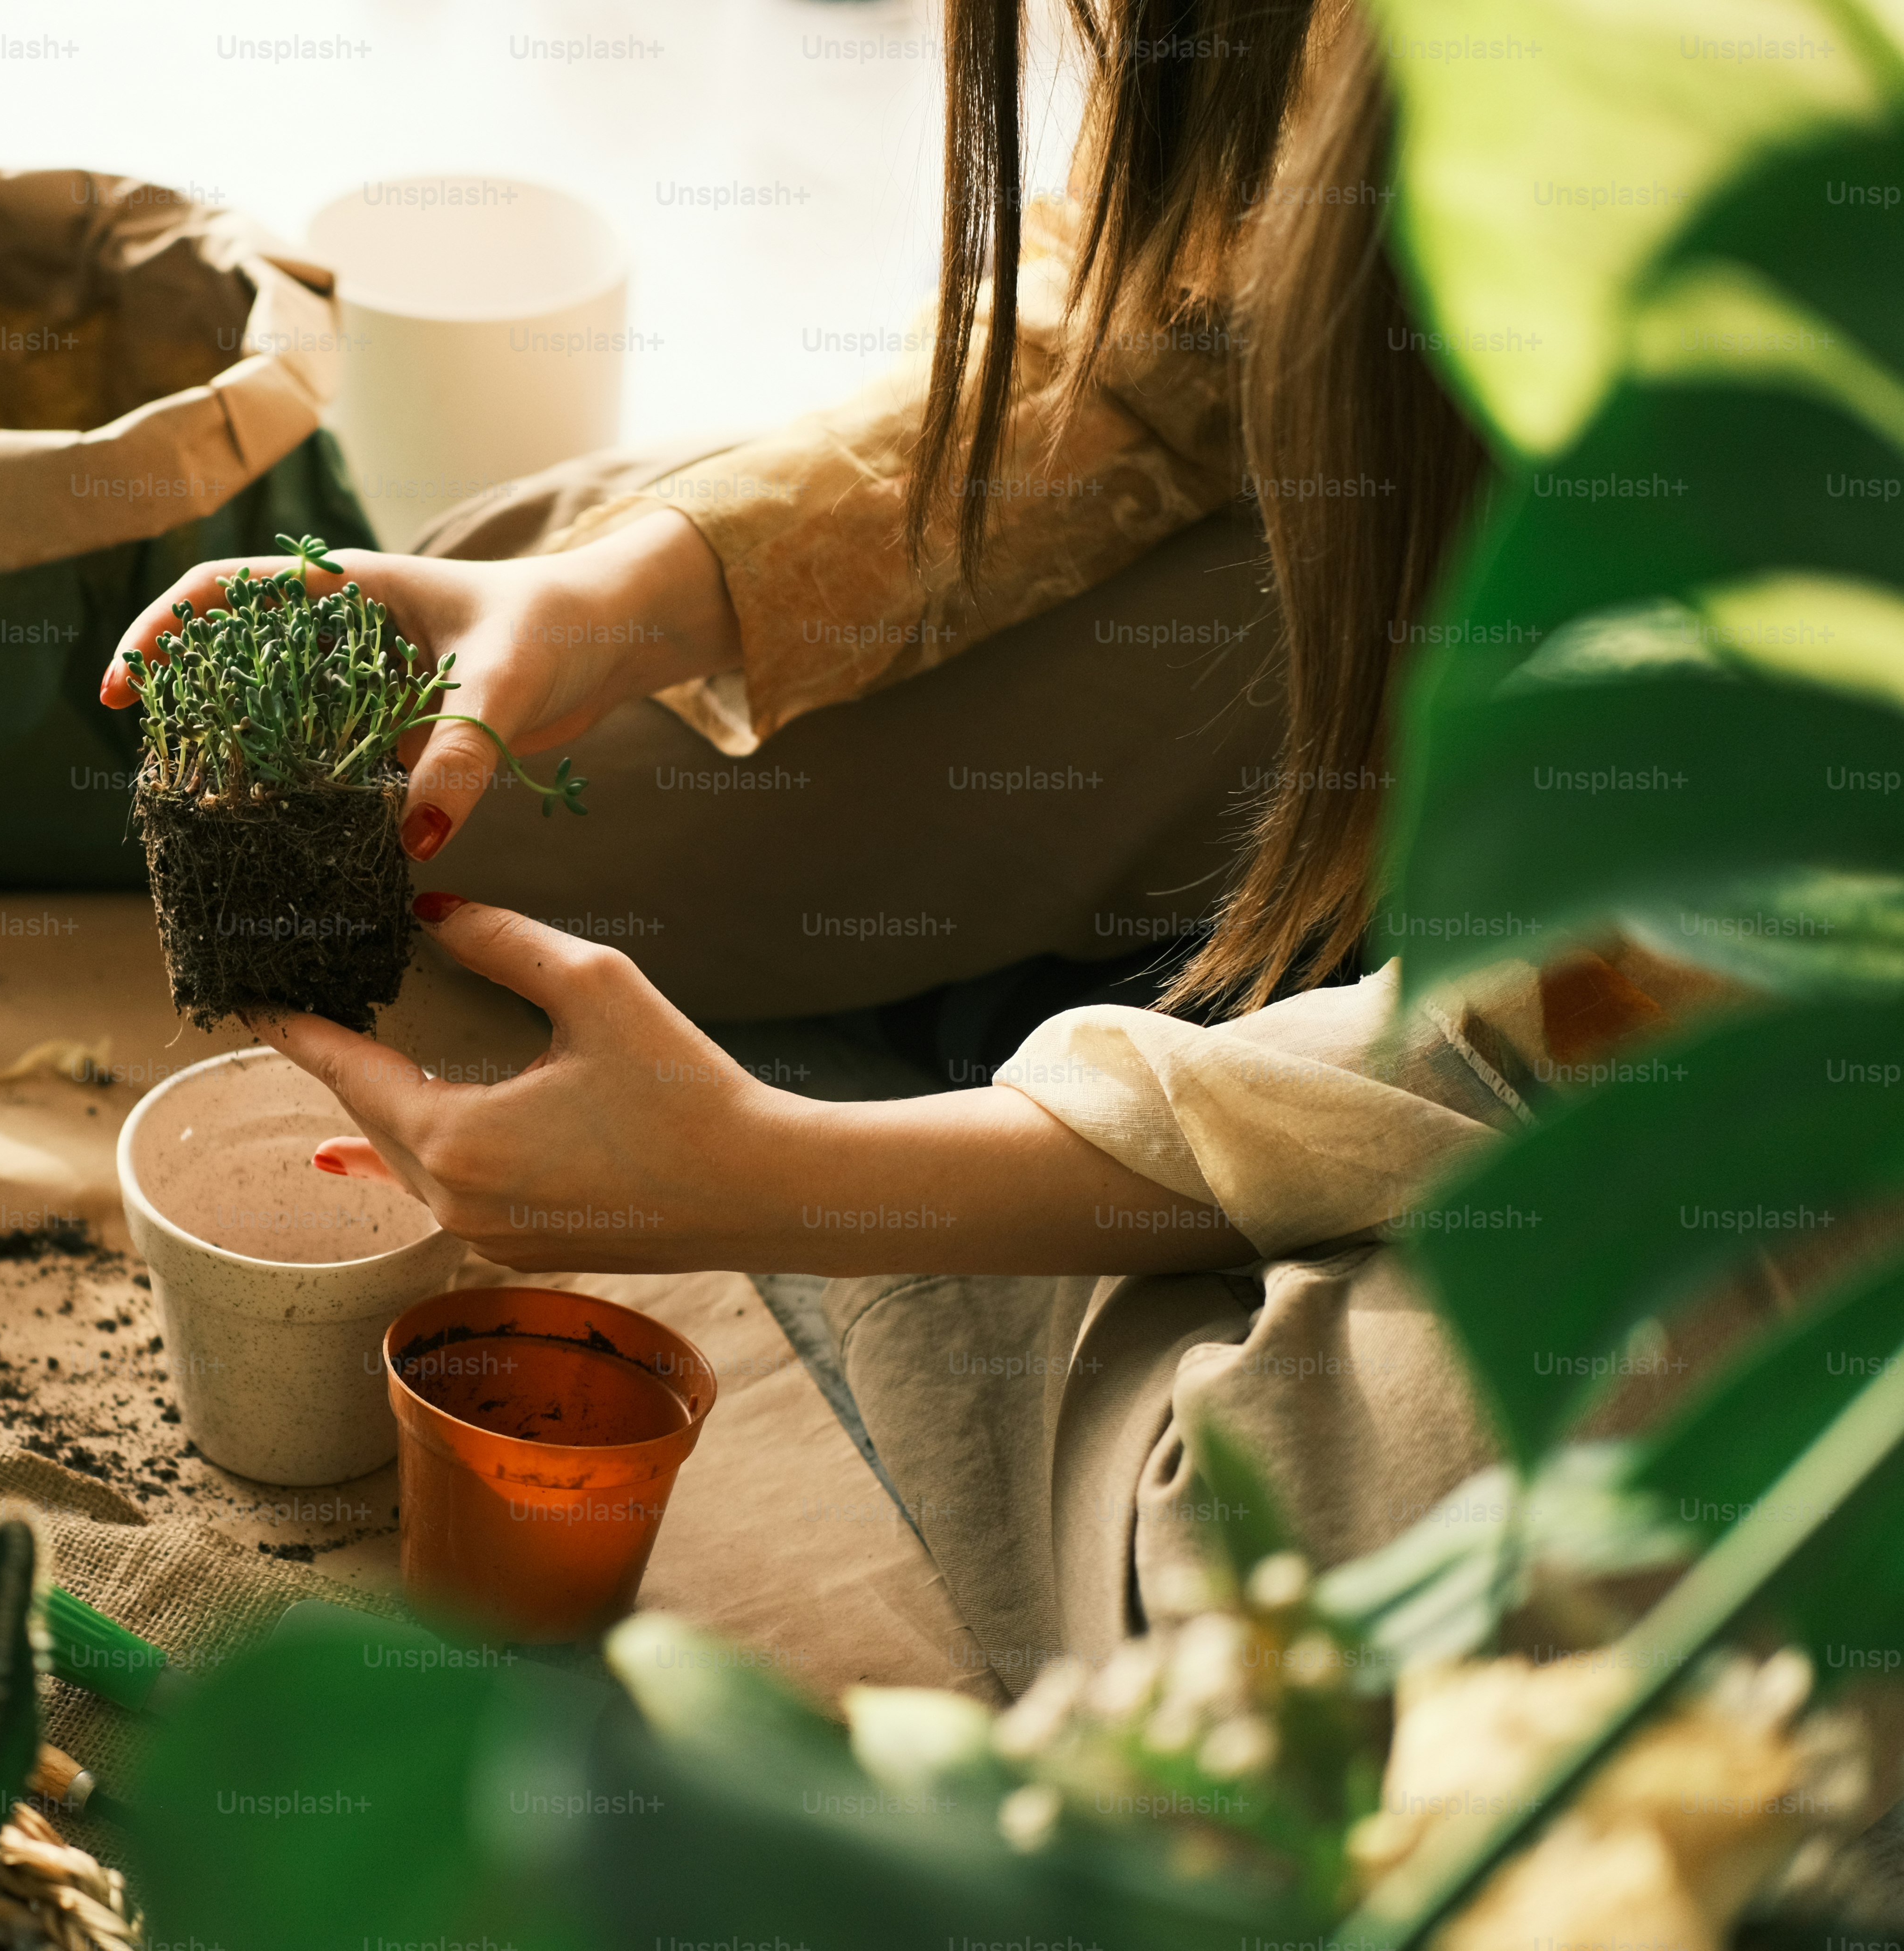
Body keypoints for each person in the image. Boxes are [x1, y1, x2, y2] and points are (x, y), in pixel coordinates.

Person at [99, 0, 1766, 1685]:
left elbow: (1589, 1031)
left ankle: (1070, 1100)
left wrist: (785, 1179)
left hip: (1726, 1021)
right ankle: (1102, 1036)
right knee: (490, 708)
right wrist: (618, 599)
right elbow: (1157, 331)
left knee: (1258, 1583)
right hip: (1421, 615)